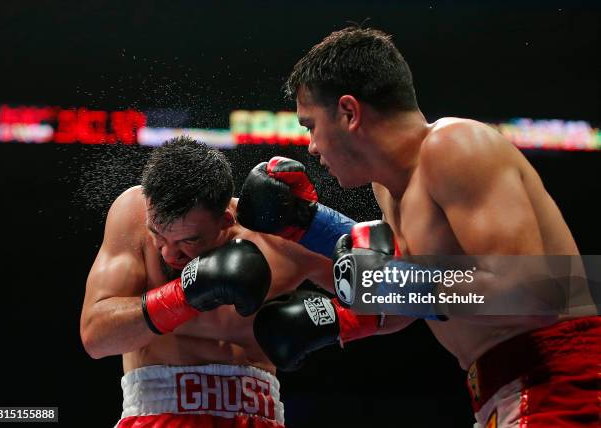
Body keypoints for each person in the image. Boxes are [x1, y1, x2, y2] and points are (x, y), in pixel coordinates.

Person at [239, 27, 600, 428]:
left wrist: (402, 283)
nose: (311, 146)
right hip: (501, 390)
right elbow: (410, 299)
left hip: (563, 380)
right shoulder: (389, 188)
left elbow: (536, 293)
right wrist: (308, 231)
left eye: (310, 125)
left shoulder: (455, 147)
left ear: (348, 112)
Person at [80, 136, 401, 427]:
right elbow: (96, 337)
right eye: (158, 235)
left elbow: (402, 298)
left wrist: (332, 322)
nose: (168, 253)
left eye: (188, 241)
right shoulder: (133, 212)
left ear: (225, 221)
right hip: (156, 413)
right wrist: (186, 293)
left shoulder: (279, 236)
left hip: (258, 416)